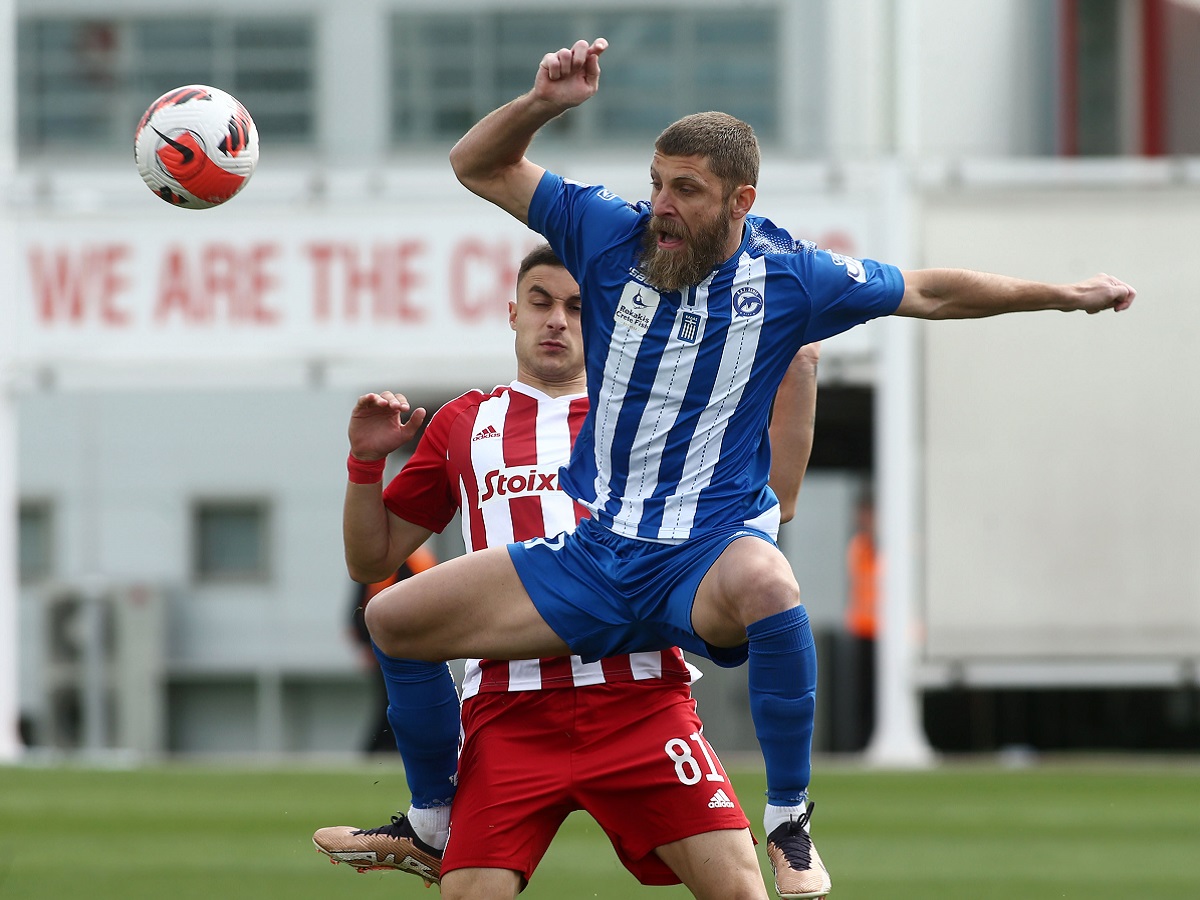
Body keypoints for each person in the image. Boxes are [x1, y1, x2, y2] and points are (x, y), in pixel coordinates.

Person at [362, 38, 1136, 899]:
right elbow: (477, 163)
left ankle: (791, 824)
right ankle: (433, 821)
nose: (660, 205)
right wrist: (544, 101)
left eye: (683, 190)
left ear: (740, 200)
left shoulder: (792, 277)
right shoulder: (606, 232)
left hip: (698, 562)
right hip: (596, 552)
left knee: (770, 581)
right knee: (394, 618)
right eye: (656, 181)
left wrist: (1064, 294)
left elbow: (934, 291)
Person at [313, 244, 823, 900]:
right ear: (512, 313)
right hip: (509, 711)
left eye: (578, 307)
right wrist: (363, 464)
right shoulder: (464, 424)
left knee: (740, 891)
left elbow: (775, 498)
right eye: (541, 302)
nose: (557, 319)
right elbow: (370, 559)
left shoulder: (653, 416)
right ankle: (431, 823)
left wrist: (800, 370)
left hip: (639, 700)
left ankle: (793, 823)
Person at [347, 547, 437, 753]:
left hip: (415, 650)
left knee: (409, 701)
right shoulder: (377, 563)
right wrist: (365, 644)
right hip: (382, 650)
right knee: (389, 701)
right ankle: (379, 749)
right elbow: (358, 609)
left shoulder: (420, 562)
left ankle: (385, 749)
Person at [843, 488, 877, 751]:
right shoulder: (858, 546)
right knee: (862, 696)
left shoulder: (890, 548)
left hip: (884, 632)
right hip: (863, 628)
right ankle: (861, 744)